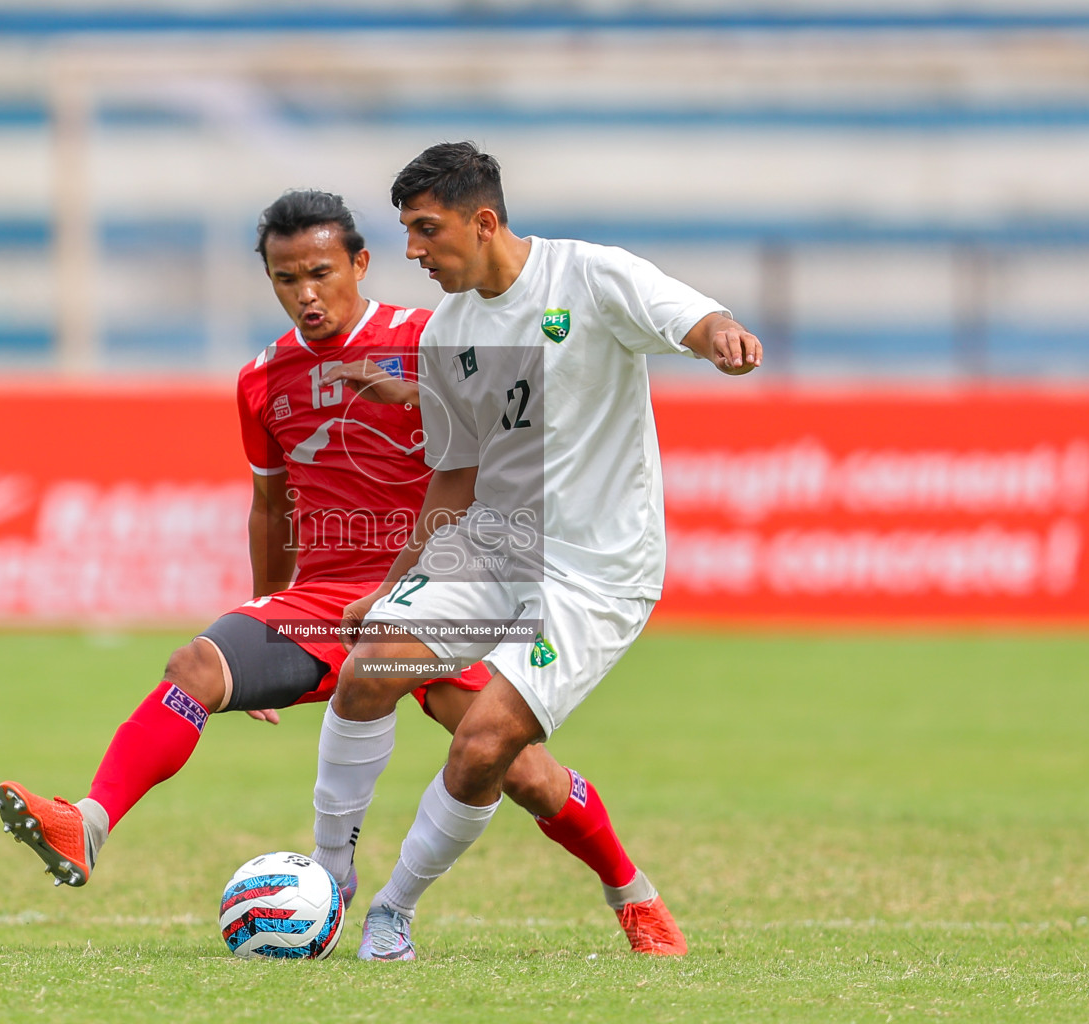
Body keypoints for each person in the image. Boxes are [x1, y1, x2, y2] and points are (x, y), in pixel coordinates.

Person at [0, 189, 683, 955]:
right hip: (325, 603)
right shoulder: (262, 379)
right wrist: (265, 606)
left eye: (320, 272)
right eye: (286, 279)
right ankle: (88, 822)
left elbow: (513, 436)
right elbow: (271, 506)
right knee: (196, 665)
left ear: (359, 263)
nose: (306, 294)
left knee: (520, 772)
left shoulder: (436, 336)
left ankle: (632, 893)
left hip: (448, 586)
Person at [308, 143, 762, 961]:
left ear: (483, 222)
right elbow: (453, 479)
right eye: (407, 231)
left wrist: (721, 336)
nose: (412, 251)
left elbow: (690, 318)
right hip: (494, 542)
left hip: (597, 571)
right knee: (370, 662)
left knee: (483, 744)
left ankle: (394, 908)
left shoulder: (590, 277)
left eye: (426, 229)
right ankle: (326, 872)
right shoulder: (449, 331)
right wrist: (392, 586)